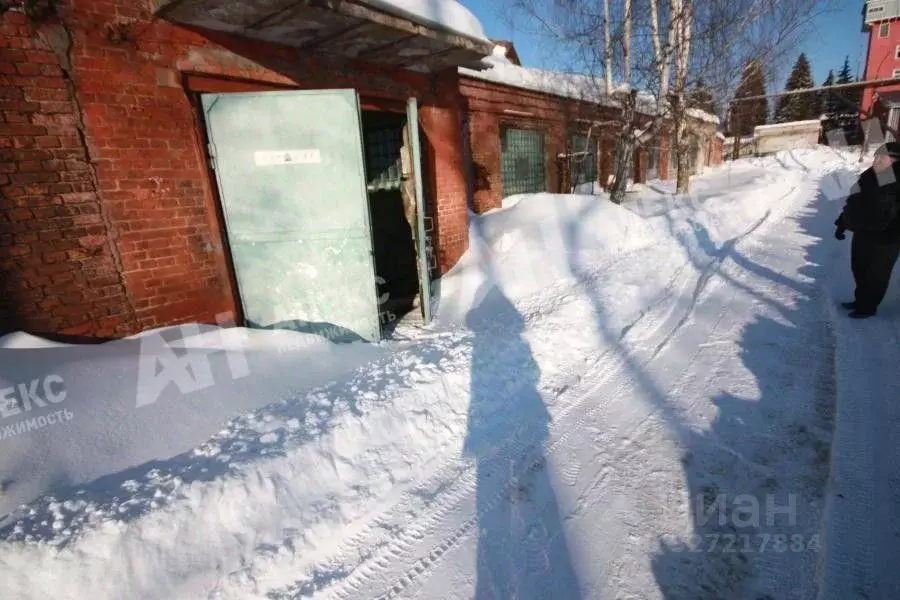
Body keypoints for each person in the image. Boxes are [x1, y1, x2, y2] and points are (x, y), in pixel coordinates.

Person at [834, 141, 900, 319]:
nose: (876, 160)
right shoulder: (868, 176)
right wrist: (842, 223)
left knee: (877, 273)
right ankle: (860, 300)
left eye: (882, 157)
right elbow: (853, 202)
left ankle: (868, 307)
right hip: (863, 231)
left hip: (887, 237)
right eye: (876, 156)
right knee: (859, 268)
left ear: (895, 160)